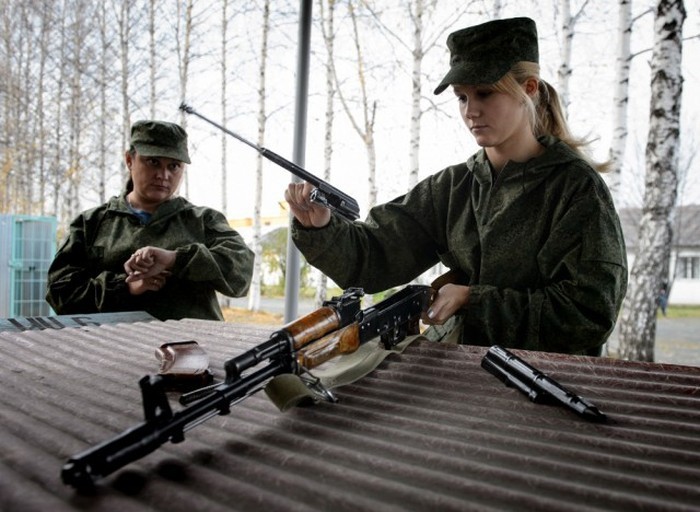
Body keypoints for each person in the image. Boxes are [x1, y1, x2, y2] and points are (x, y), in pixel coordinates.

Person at [285, 17, 628, 356]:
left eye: (485, 93)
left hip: (545, 387)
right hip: (459, 375)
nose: (471, 111)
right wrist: (322, 226)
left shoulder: (576, 189)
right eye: (462, 97)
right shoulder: (452, 188)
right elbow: (375, 257)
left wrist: (471, 299)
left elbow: (589, 313)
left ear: (530, 88)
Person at [46, 120, 254, 321]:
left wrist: (176, 259)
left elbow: (241, 274)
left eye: (174, 166)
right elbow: (60, 293)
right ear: (129, 160)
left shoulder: (203, 221)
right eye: (153, 162)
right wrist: (125, 286)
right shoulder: (91, 223)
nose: (163, 175)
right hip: (113, 348)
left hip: (190, 349)